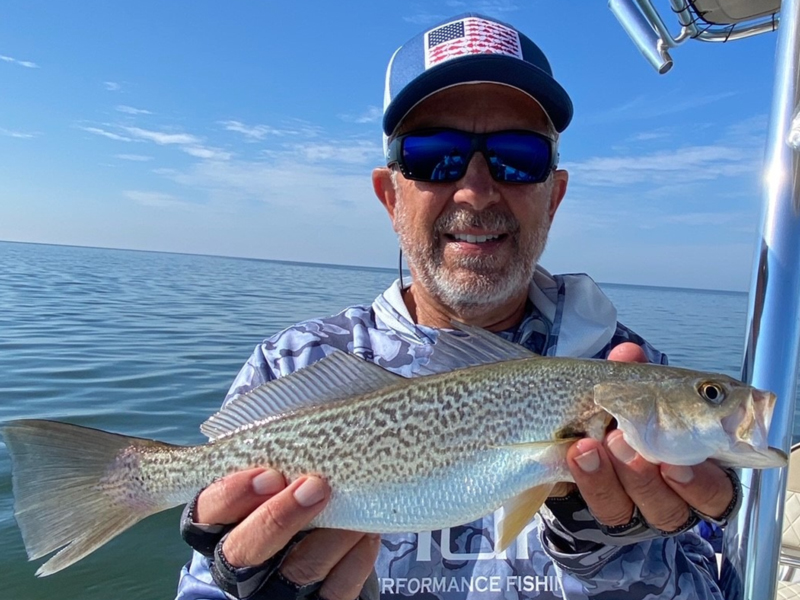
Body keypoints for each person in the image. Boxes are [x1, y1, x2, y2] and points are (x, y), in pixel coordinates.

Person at [175, 13, 739, 600]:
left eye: (518, 155)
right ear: (390, 197)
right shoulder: (292, 364)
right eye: (434, 155)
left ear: (554, 196)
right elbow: (205, 581)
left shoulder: (631, 367)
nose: (476, 190)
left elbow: (707, 582)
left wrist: (608, 548)